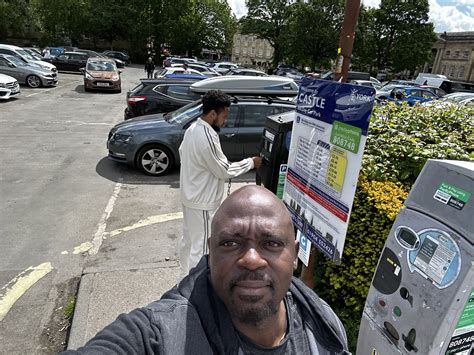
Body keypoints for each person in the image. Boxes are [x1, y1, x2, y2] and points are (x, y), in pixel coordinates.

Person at [62, 185, 350, 354]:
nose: (251, 259)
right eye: (230, 242)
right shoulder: (162, 335)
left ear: (295, 255)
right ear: (210, 250)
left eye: (271, 243)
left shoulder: (323, 322)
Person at [178, 90, 262, 280]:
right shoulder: (206, 135)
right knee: (201, 248)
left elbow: (183, 154)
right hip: (203, 202)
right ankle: (194, 288)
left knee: (189, 241)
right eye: (224, 116)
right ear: (212, 114)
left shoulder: (192, 129)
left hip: (190, 197)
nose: (225, 121)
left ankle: (182, 280)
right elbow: (223, 170)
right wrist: (251, 162)